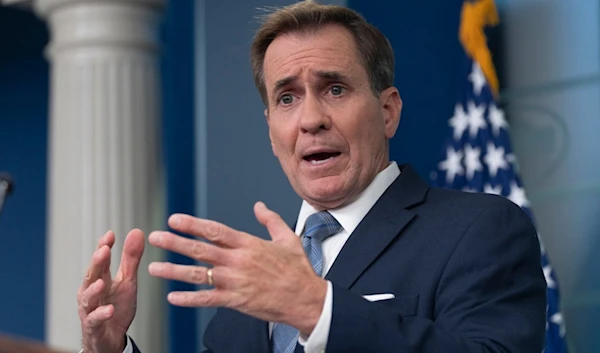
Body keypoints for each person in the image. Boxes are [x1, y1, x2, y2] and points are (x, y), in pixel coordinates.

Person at [77, 1, 547, 352]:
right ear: (270, 129)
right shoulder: (250, 292)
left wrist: (317, 309)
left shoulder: (479, 230)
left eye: (335, 89)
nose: (311, 119)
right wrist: (115, 347)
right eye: (287, 98)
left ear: (387, 111)